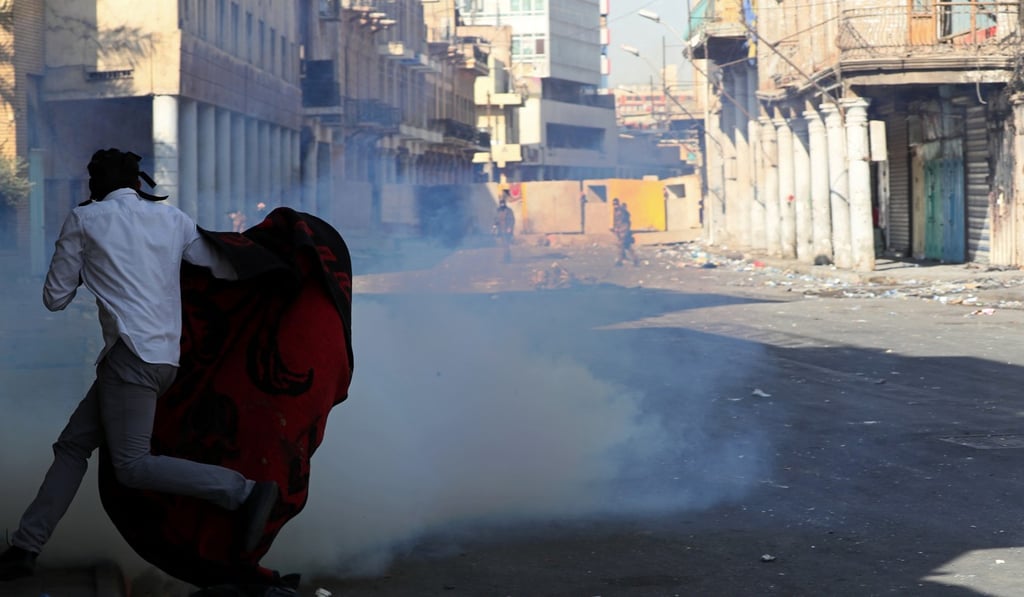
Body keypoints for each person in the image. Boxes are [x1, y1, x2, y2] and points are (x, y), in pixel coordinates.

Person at [0, 148, 278, 581]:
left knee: (131, 467)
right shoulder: (173, 218)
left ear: (96, 184)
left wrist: (86, 266)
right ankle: (24, 548)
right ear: (137, 182)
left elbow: (55, 299)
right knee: (73, 445)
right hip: (165, 359)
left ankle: (243, 492)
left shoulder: (85, 220)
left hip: (129, 359)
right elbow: (223, 266)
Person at [612, 198, 639, 266]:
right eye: (613, 204)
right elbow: (616, 221)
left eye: (616, 204)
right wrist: (615, 228)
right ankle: (635, 260)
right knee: (627, 246)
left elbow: (626, 222)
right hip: (619, 231)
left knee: (621, 246)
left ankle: (620, 261)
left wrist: (623, 230)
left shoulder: (622, 211)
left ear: (618, 203)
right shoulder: (616, 211)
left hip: (624, 231)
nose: (615, 205)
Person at [493, 192, 516, 263]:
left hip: (507, 229)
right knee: (503, 244)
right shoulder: (498, 210)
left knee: (507, 244)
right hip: (501, 230)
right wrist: (494, 226)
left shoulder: (509, 211)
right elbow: (496, 219)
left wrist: (510, 227)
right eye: (501, 203)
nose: (502, 204)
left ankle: (507, 258)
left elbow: (512, 219)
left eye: (503, 203)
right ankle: (505, 258)